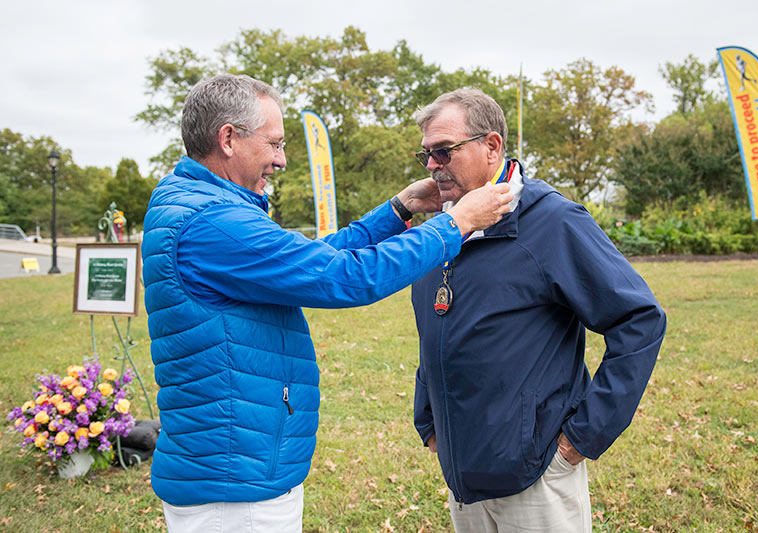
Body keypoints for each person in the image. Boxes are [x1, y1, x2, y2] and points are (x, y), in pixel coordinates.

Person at [141, 74, 513, 532]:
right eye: (274, 143)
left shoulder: (199, 205)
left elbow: (313, 257)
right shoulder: (213, 221)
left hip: (234, 464)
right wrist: (455, 224)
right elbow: (345, 277)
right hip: (235, 485)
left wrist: (397, 210)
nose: (280, 160)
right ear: (228, 139)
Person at [410, 88, 667, 532]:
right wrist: (428, 418)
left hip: (536, 478)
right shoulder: (441, 232)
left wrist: (581, 438)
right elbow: (436, 325)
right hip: (462, 475)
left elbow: (639, 319)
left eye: (443, 151)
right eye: (426, 154)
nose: (433, 165)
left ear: (491, 147)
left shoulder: (553, 222)